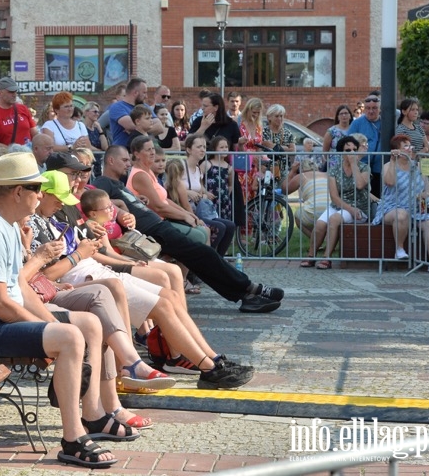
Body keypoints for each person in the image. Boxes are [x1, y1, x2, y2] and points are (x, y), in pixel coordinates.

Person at [0, 152, 119, 469]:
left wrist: (49, 323)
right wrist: (51, 334)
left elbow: (21, 288)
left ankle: (91, 413)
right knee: (69, 337)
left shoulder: (6, 224)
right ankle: (73, 438)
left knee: (89, 325)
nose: (41, 196)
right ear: (17, 192)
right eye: (36, 189)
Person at [32, 174, 253, 388]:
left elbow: (88, 251)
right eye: (59, 196)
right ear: (42, 194)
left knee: (171, 296)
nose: (63, 202)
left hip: (93, 270)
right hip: (84, 278)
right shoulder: (37, 224)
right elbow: (46, 274)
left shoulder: (56, 216)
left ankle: (212, 358)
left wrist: (93, 250)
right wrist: (81, 254)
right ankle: (207, 368)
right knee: (163, 304)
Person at [95, 145, 283, 313]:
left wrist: (137, 201)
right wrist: (119, 202)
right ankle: (251, 288)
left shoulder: (119, 183)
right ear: (111, 161)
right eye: (124, 160)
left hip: (159, 226)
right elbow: (92, 199)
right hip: (153, 232)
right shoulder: (103, 182)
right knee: (204, 254)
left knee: (202, 257)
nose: (128, 164)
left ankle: (247, 294)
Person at [373, 135, 429, 271]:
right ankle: (399, 249)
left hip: (415, 208)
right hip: (391, 207)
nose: (410, 149)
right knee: (401, 214)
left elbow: (427, 189)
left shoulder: (417, 166)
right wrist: (393, 161)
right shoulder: (388, 165)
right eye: (405, 146)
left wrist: (423, 195)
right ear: (396, 150)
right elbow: (390, 182)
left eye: (410, 145)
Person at [307, 136, 370, 270]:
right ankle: (311, 255)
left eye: (354, 149)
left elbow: (359, 185)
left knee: (334, 219)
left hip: (359, 207)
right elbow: (334, 197)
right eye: (348, 150)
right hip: (340, 205)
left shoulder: (364, 168)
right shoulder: (335, 170)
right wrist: (349, 209)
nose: (351, 153)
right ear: (341, 152)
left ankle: (326, 258)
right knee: (319, 224)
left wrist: (354, 165)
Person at [180, 134, 236, 256]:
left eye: (204, 147)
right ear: (189, 150)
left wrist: (204, 194)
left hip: (199, 210)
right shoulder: (180, 166)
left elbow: (200, 188)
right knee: (219, 227)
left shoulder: (197, 169)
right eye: (199, 147)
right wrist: (187, 192)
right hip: (185, 211)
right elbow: (170, 187)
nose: (202, 150)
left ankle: (219, 260)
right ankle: (210, 259)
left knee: (230, 226)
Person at [0, 77, 38, 148]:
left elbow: (35, 134)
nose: (14, 94)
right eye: (11, 92)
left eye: (15, 91)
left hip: (28, 155)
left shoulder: (23, 108)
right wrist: (15, 150)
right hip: (8, 157)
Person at [347, 94, 382, 197]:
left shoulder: (386, 121)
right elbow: (348, 143)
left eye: (374, 108)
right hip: (361, 167)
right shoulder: (356, 123)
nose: (371, 111)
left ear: (380, 109)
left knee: (377, 198)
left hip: (379, 168)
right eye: (368, 108)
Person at [109, 78, 159, 146]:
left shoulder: (145, 107)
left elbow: (160, 127)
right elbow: (131, 125)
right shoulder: (117, 107)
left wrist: (138, 130)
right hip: (123, 150)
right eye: (144, 93)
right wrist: (148, 127)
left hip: (143, 150)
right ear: (135, 93)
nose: (146, 96)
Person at [260, 104, 296, 188]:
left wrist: (274, 146)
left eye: (281, 116)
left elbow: (293, 151)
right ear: (269, 117)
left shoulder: (287, 132)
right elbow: (265, 145)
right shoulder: (264, 132)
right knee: (267, 194)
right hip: (267, 169)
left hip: (283, 169)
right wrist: (285, 148)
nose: (279, 119)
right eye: (276, 116)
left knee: (282, 196)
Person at [323, 104, 354, 174]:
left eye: (346, 113)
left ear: (350, 116)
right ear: (338, 117)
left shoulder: (354, 129)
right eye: (341, 114)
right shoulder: (332, 131)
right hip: (334, 164)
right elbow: (325, 150)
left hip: (351, 163)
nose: (344, 116)